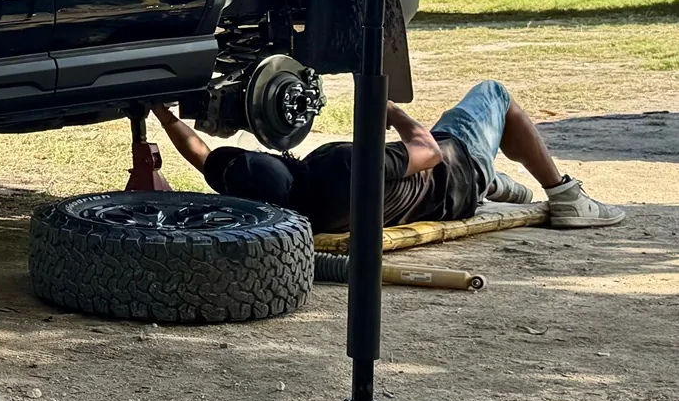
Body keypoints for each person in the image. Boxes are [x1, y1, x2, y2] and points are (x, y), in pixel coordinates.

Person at [149, 81, 623, 233]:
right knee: (494, 95)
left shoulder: (279, 212)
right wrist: (390, 109)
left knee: (459, 152)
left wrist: (161, 112)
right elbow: (429, 152)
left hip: (442, 198)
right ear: (283, 161)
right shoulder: (340, 168)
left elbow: (202, 156)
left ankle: (498, 184)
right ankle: (566, 196)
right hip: (455, 170)